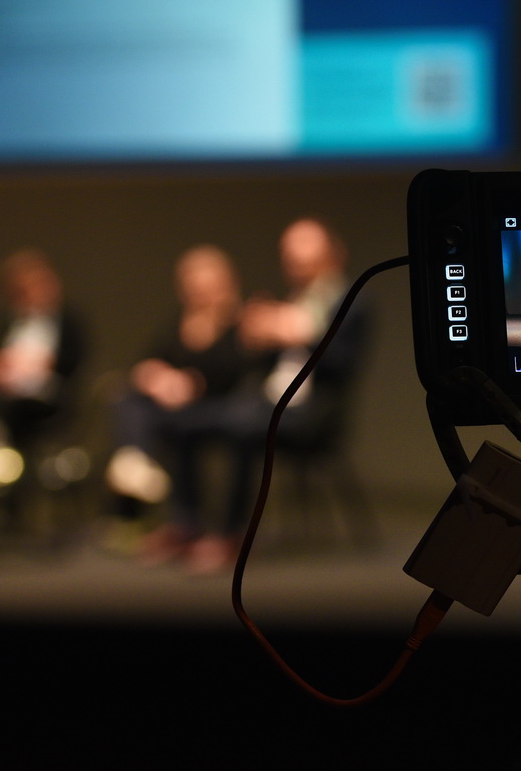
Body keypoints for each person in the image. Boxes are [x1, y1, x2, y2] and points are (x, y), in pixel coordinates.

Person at [105, 244, 253, 573]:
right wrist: (156, 378)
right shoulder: (179, 323)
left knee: (223, 427)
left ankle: (228, 535)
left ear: (226, 283)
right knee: (126, 397)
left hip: (222, 411)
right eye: (192, 288)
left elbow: (234, 371)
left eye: (206, 287)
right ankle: (136, 463)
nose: (199, 295)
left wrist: (190, 384)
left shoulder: (240, 322)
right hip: (179, 410)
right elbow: (147, 362)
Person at [221, 218, 357, 530]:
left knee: (238, 425)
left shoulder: (348, 300)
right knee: (194, 420)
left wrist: (300, 334)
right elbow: (275, 362)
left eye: (303, 255)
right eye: (289, 256)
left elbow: (341, 363)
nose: (294, 263)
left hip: (313, 413)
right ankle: (189, 524)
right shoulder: (299, 300)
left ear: (331, 255)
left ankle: (229, 534)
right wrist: (259, 334)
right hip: (271, 399)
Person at [0, 248, 86, 455]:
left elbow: (74, 360)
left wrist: (44, 365)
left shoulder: (69, 321)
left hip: (52, 394)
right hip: (9, 394)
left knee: (27, 408)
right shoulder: (8, 322)